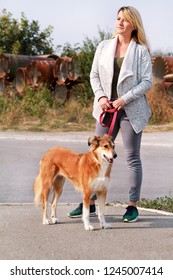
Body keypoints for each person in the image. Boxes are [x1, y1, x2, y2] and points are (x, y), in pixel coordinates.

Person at [68, 6, 152, 222]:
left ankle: (132, 206)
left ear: (133, 24)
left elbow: (147, 82)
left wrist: (124, 99)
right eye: (118, 19)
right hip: (106, 109)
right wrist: (101, 97)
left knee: (132, 157)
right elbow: (94, 75)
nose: (120, 23)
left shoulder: (140, 50)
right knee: (95, 153)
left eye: (125, 20)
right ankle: (91, 202)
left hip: (130, 110)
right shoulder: (104, 46)